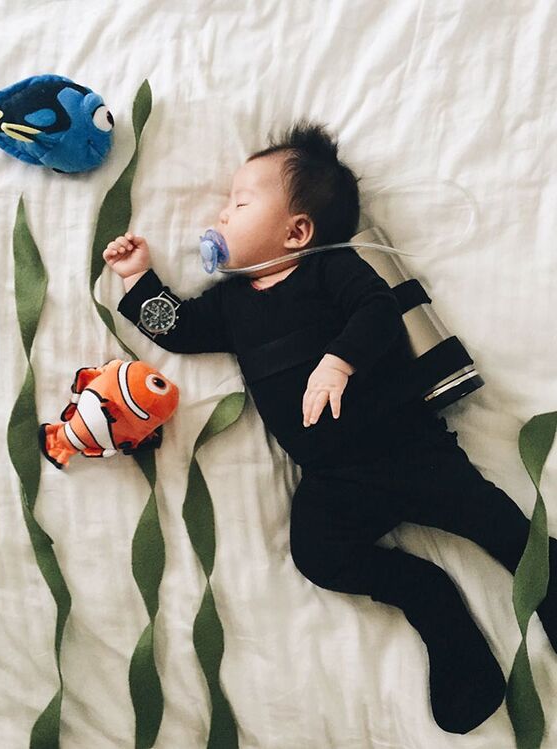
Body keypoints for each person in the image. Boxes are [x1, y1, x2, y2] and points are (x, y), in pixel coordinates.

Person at [103, 120, 557, 735]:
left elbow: (378, 312)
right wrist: (138, 277)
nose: (222, 214)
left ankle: (550, 582)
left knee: (493, 521)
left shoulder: (332, 271)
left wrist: (337, 362)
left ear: (297, 231)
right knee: (318, 555)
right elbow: (178, 330)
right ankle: (432, 602)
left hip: (408, 447)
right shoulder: (232, 303)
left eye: (240, 203)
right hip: (335, 477)